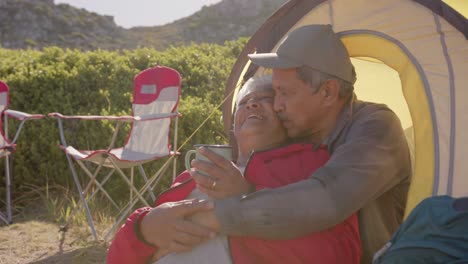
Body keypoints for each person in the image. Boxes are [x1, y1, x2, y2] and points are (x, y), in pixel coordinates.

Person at [189, 24, 412, 264]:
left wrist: (220, 213)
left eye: (285, 93)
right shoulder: (297, 128)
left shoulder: (375, 126)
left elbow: (327, 198)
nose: (277, 106)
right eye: (274, 93)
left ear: (328, 92)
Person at [107, 75, 362, 263]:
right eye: (244, 102)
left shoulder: (311, 165)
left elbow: (339, 254)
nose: (252, 105)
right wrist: (143, 229)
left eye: (266, 99)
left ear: (286, 115)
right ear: (233, 128)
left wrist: (245, 201)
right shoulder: (193, 175)